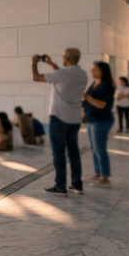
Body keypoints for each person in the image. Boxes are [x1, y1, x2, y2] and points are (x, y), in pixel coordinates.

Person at [32, 49, 89, 195]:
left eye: (63, 56)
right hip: (74, 119)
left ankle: (60, 186)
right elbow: (62, 75)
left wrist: (33, 63)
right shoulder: (82, 74)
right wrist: (51, 64)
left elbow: (36, 77)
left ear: (68, 58)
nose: (62, 58)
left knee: (59, 153)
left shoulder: (62, 74)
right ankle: (77, 184)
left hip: (59, 118)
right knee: (74, 152)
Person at [83, 61, 116, 186]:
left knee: (100, 148)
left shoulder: (106, 86)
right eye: (92, 69)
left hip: (101, 120)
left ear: (103, 71)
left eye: (95, 69)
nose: (92, 71)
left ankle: (105, 177)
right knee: (93, 148)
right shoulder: (94, 84)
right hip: (92, 119)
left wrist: (87, 97)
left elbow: (102, 104)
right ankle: (97, 173)